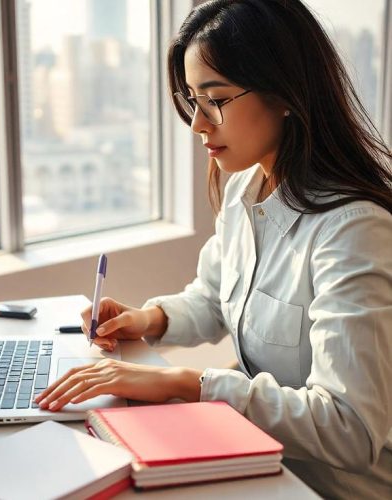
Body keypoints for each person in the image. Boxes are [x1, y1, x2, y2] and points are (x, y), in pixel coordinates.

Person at [35, 1, 392, 497]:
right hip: (257, 462)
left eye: (215, 100)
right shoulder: (246, 188)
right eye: (191, 100)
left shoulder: (354, 232)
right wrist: (148, 319)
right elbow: (214, 295)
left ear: (285, 93)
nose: (198, 124)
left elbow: (349, 429)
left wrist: (188, 383)